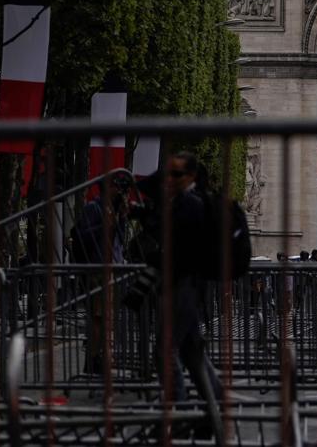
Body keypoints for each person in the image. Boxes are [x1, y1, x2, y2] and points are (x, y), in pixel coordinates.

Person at [136, 152, 223, 437]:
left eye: (175, 176)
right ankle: (215, 409)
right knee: (192, 353)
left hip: (183, 286)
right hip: (183, 286)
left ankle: (180, 414)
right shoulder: (183, 203)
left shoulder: (190, 205)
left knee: (165, 352)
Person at [71, 174, 131, 374]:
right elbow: (82, 235)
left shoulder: (115, 210)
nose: (120, 192)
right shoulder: (93, 208)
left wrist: (121, 218)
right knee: (98, 318)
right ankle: (93, 361)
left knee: (106, 319)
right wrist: (107, 224)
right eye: (117, 186)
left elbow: (121, 240)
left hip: (112, 268)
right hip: (97, 269)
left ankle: (99, 359)